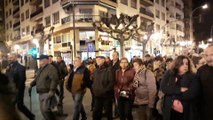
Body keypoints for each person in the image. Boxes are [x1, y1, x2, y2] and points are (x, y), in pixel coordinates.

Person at [161, 55, 200, 120]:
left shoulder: (193, 77)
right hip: (169, 108)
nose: (185, 66)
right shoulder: (169, 73)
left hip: (185, 110)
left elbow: (193, 93)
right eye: (182, 64)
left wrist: (172, 94)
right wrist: (179, 89)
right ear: (177, 64)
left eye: (187, 64)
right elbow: (163, 88)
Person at [5, 53, 35, 120]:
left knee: (19, 106)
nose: (9, 59)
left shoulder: (20, 67)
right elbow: (7, 78)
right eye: (9, 57)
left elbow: (22, 80)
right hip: (10, 90)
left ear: (15, 58)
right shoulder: (9, 67)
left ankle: (31, 116)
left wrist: (17, 89)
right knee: (11, 106)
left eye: (11, 57)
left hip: (18, 90)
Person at [29, 54, 59, 120]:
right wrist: (32, 84)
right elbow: (37, 79)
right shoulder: (40, 69)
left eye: (41, 60)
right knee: (43, 111)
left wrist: (52, 90)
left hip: (47, 92)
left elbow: (54, 80)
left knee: (45, 110)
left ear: (45, 60)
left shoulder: (51, 68)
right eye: (39, 60)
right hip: (40, 92)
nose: (39, 61)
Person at [92, 55, 114, 120]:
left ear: (103, 60)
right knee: (96, 112)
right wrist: (93, 88)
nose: (97, 61)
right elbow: (94, 81)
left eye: (99, 59)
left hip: (106, 96)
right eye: (97, 60)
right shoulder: (96, 70)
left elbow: (111, 82)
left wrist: (105, 90)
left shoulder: (109, 69)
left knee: (108, 113)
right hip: (97, 95)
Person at [197, 45, 213, 120]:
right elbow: (197, 92)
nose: (209, 58)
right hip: (206, 113)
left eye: (212, 54)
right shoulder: (201, 70)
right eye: (206, 55)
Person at [109, 51, 120, 118]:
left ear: (118, 56)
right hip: (110, 84)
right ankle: (110, 113)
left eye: (115, 55)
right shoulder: (110, 63)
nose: (113, 56)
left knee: (117, 100)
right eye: (112, 55)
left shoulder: (119, 63)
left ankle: (117, 113)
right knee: (111, 99)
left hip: (117, 83)